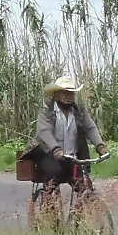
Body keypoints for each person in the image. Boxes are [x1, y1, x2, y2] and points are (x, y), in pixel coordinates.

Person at [27, 75, 108, 220]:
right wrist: (56, 149)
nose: (68, 97)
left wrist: (100, 145)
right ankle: (49, 212)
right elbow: (44, 131)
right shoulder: (48, 111)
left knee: (84, 185)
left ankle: (82, 218)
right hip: (49, 155)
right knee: (54, 174)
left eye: (71, 93)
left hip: (72, 157)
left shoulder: (79, 111)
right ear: (56, 94)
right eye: (65, 93)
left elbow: (90, 128)